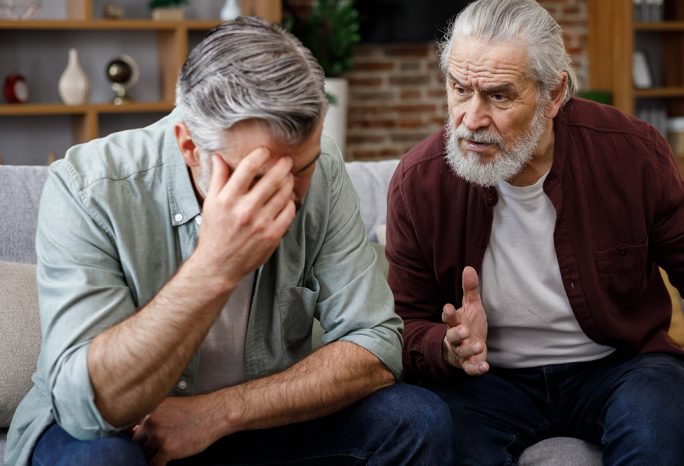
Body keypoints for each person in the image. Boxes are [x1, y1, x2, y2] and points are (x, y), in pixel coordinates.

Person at [6, 16, 453, 466]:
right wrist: (214, 266)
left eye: (302, 168)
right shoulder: (89, 187)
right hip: (120, 431)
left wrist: (220, 413)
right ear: (189, 147)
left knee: (417, 418)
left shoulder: (326, 171)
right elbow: (89, 410)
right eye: (257, 174)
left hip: (256, 420)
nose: (288, 195)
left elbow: (376, 342)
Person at [385, 0, 684, 465]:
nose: (471, 118)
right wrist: (445, 347)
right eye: (460, 89)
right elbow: (402, 326)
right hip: (486, 381)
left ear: (554, 94)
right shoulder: (420, 181)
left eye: (499, 96)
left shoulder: (632, 152)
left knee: (659, 419)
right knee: (444, 435)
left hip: (618, 364)